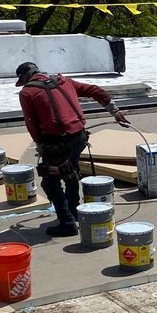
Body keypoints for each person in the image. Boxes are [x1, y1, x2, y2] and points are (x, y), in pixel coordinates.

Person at [16, 61, 130, 237]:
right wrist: (114, 111)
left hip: (56, 142)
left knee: (51, 181)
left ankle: (67, 222)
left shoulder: (27, 92)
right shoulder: (64, 81)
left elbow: (31, 122)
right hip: (78, 137)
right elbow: (94, 90)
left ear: (25, 78)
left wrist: (40, 144)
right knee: (71, 173)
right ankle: (74, 211)